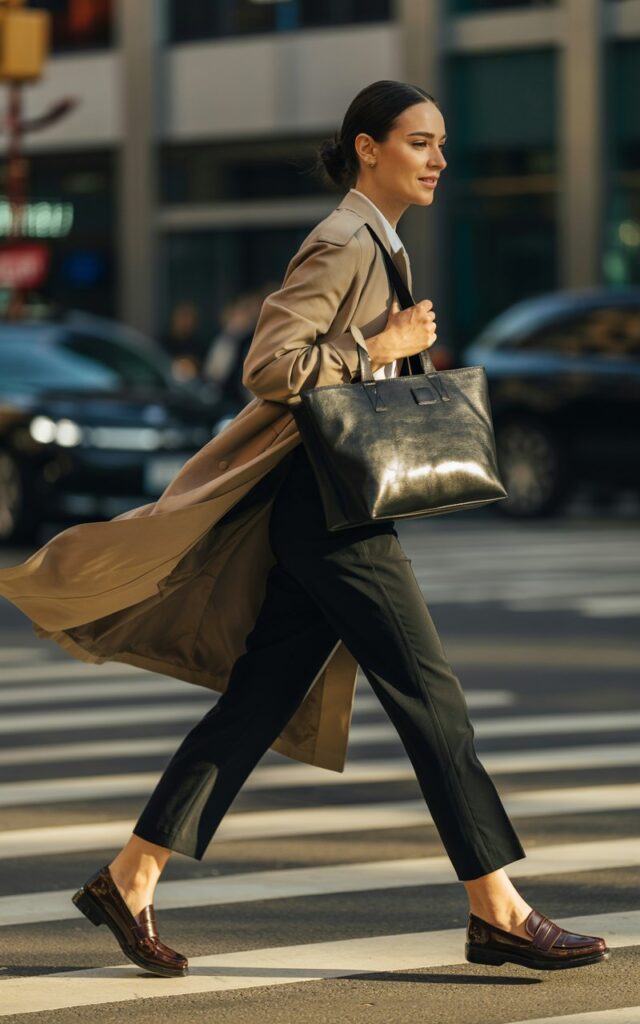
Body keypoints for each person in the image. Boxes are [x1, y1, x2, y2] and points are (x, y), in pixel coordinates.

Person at [1, 80, 609, 980]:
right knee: (431, 698)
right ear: (367, 148)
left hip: (324, 503)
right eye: (419, 142)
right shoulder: (342, 238)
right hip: (330, 512)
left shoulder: (379, 241)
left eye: (442, 142)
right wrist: (380, 346)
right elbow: (270, 365)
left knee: (259, 700)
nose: (439, 158)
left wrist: (392, 344)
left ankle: (131, 876)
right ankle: (498, 909)